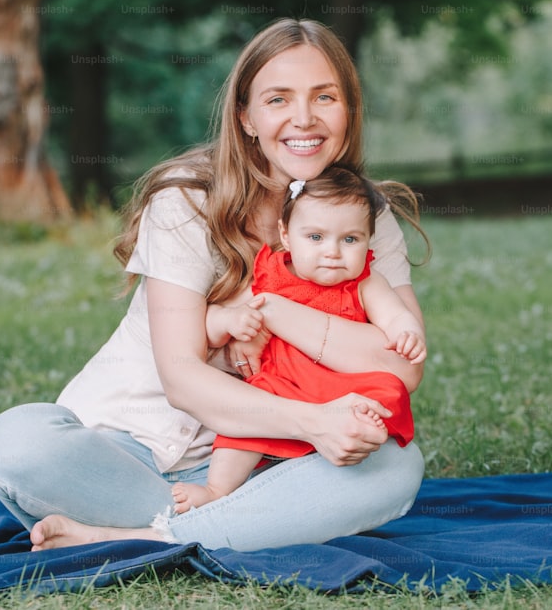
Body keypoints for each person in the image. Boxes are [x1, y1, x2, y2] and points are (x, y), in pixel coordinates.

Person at [0, 18, 430, 553]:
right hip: (132, 452)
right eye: (278, 99)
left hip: (267, 462)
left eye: (324, 97)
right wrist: (314, 421)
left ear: (348, 109)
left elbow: (402, 367)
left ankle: (133, 537)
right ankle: (235, 528)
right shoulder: (185, 201)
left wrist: (277, 315)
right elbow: (183, 379)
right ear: (246, 117)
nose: (304, 119)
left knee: (396, 466)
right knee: (18, 442)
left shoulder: (364, 215)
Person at [171, 167, 427, 514]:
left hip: (344, 389)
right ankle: (217, 490)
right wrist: (230, 320)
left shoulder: (367, 283)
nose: (332, 252)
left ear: (368, 240)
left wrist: (405, 332)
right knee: (244, 421)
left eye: (350, 239)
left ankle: (354, 445)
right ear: (287, 235)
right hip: (283, 385)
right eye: (316, 238)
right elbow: (211, 322)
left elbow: (394, 315)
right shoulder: (270, 276)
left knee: (385, 390)